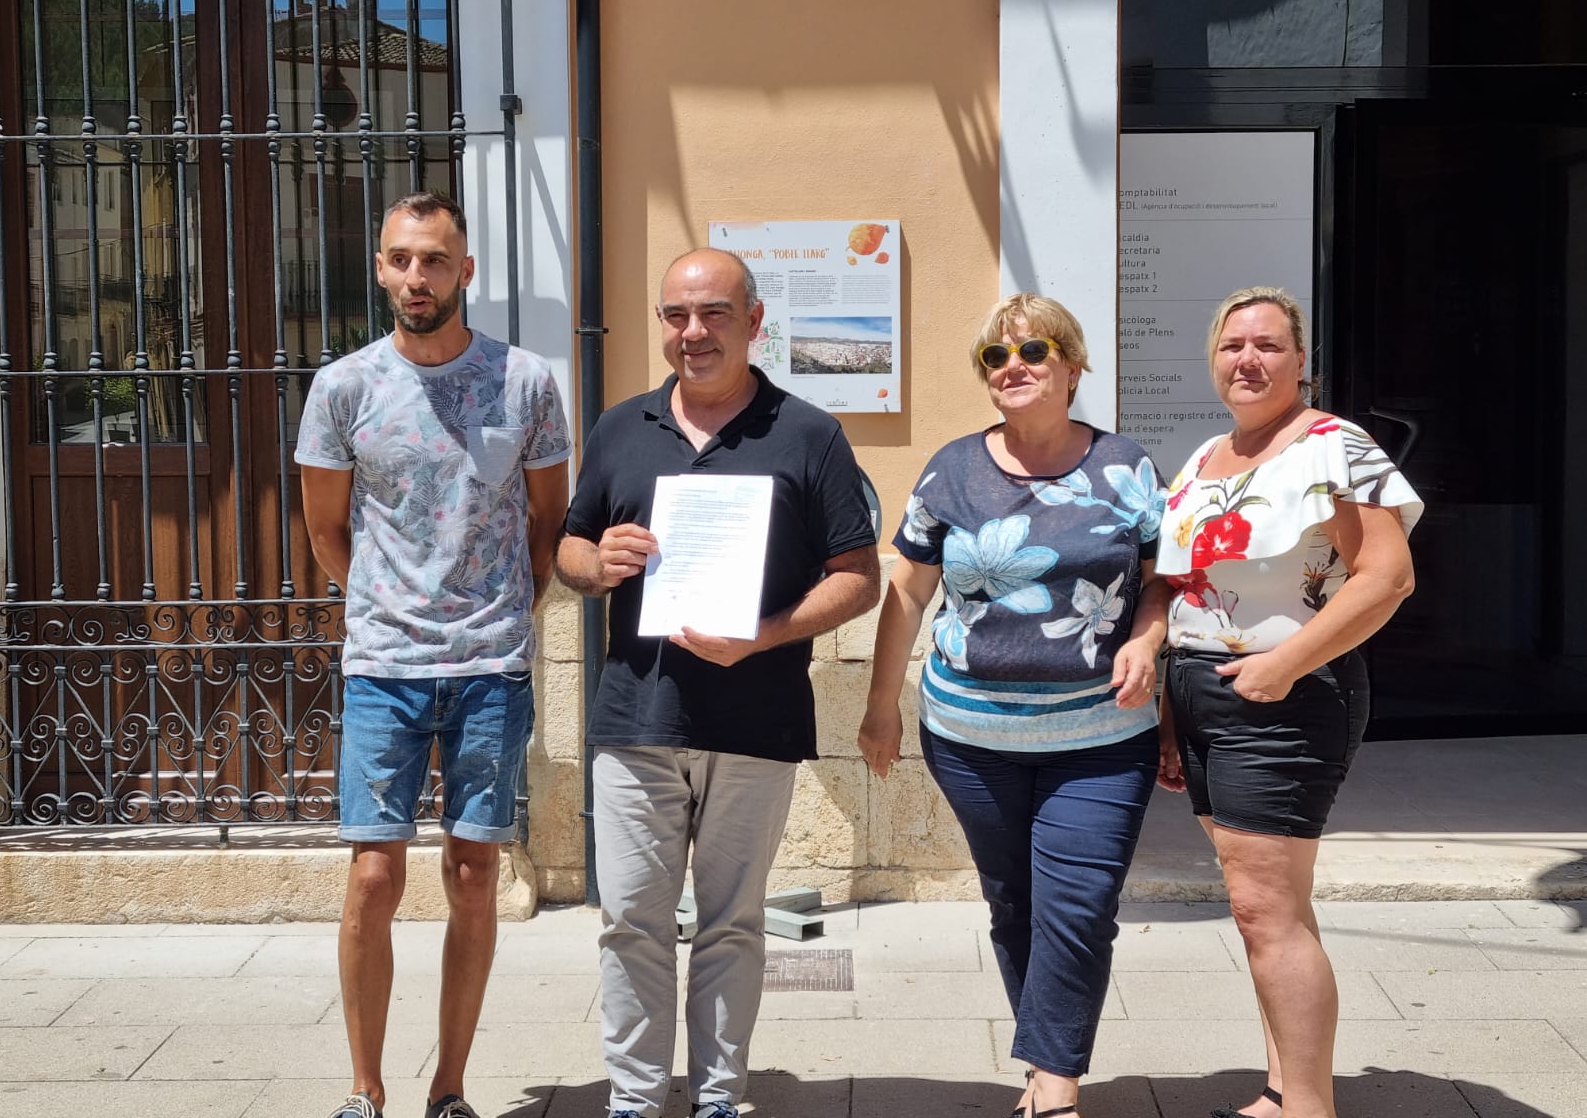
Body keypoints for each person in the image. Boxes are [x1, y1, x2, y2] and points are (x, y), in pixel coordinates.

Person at [555, 247, 880, 1118]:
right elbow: (569, 548)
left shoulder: (810, 434)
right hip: (636, 716)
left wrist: (767, 634)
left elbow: (860, 574)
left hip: (756, 717)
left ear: (754, 322)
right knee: (631, 922)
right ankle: (632, 1098)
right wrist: (599, 562)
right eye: (675, 315)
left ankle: (720, 1096)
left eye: (713, 314)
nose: (692, 333)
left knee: (733, 925)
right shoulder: (621, 427)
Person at [858, 293, 1170, 1118]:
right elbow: (908, 592)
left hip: (1102, 734)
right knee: (1014, 901)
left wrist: (1147, 639)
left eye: (1034, 350)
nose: (1015, 367)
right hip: (970, 734)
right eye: (996, 357)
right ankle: (1044, 1063)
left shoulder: (1126, 466)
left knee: (1079, 903)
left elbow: (1162, 582)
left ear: (1071, 365)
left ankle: (1056, 1087)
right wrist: (881, 706)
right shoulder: (952, 469)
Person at [297, 191, 571, 1118]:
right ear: (381, 267)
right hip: (384, 666)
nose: (417, 277)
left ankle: (449, 1088)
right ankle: (365, 1089)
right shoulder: (343, 387)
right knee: (375, 874)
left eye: (435, 260)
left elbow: (547, 522)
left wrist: (498, 614)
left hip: (490, 665)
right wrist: (392, 609)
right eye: (401, 259)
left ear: (466, 272)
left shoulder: (525, 381)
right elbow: (327, 532)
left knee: (475, 872)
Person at [1156, 286, 1420, 1118]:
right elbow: (1187, 591)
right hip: (1203, 694)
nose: (1249, 360)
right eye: (1233, 345)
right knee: (1267, 907)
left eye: (1268, 345)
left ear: (1300, 360)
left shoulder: (1336, 445)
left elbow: (1387, 577)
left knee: (1264, 908)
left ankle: (1308, 1108)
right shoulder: (1204, 459)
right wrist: (1171, 713)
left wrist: (1287, 664)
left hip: (1286, 694)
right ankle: (1282, 1092)